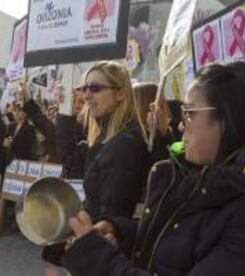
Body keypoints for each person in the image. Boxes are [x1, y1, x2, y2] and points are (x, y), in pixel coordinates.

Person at [62, 61, 245, 276]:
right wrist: (121, 230)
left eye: (189, 113)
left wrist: (98, 261)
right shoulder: (193, 175)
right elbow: (176, 235)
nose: (181, 125)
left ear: (228, 118)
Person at [44, 61, 151, 265]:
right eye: (85, 88)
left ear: (120, 94)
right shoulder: (106, 138)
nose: (86, 95)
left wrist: (85, 244)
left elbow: (112, 217)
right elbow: (71, 160)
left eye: (95, 88)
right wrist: (65, 111)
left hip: (105, 255)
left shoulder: (124, 144)